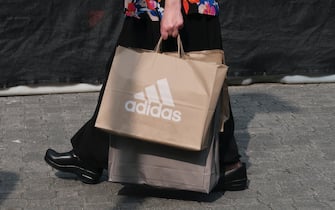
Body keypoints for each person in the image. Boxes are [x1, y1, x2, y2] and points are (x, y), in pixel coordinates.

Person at [45, 0, 248, 192]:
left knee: (196, 81)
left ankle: (227, 163)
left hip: (174, 6)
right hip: (155, 6)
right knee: (128, 74)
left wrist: (172, 6)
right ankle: (228, 163)